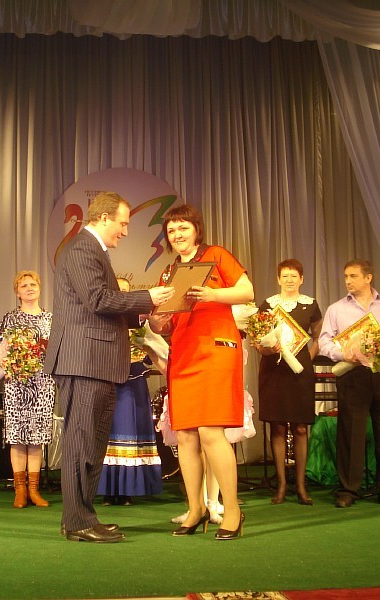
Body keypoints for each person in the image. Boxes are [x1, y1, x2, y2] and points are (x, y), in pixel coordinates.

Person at [44, 191, 174, 543]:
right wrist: (147, 298)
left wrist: (143, 314)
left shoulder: (91, 249)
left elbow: (102, 305)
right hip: (84, 360)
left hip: (95, 361)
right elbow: (98, 299)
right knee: (82, 443)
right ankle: (77, 522)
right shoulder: (83, 248)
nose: (125, 231)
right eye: (123, 223)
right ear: (103, 218)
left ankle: (81, 516)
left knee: (92, 443)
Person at [148, 204, 253, 540]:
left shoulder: (216, 255)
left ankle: (232, 510)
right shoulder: (168, 273)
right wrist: (156, 319)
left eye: (183, 228)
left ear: (196, 229)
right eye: (171, 230)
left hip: (216, 349)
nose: (177, 235)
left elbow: (247, 291)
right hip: (183, 354)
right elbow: (163, 323)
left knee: (210, 430)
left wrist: (211, 294)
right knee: (186, 436)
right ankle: (196, 509)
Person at [318, 259, 380, 508]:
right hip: (353, 374)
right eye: (346, 276)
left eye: (353, 276)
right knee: (351, 432)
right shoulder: (336, 309)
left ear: (368, 278)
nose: (348, 281)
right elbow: (324, 342)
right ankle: (348, 490)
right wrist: (343, 353)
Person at [253, 258, 322, 506]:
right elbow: (258, 341)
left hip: (300, 373)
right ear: (278, 279)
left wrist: (306, 359)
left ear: (301, 279)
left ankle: (301, 485)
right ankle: (281, 484)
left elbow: (319, 337)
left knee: (301, 428)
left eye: (294, 276)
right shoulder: (268, 305)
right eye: (285, 276)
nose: (289, 280)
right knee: (278, 427)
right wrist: (267, 349)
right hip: (273, 371)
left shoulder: (310, 305)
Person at [0, 270, 56, 508]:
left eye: (32, 284)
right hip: (17, 383)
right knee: (17, 437)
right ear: (17, 293)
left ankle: (34, 490)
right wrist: (11, 365)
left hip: (42, 383)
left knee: (36, 438)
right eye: (24, 286)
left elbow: (57, 350)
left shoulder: (50, 319)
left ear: (39, 288)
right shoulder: (10, 318)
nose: (29, 288)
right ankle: (19, 490)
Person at [97, 277, 163, 506]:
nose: (124, 294)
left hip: (133, 381)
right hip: (108, 380)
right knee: (109, 431)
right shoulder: (104, 319)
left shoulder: (140, 322)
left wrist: (147, 349)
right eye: (119, 291)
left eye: (127, 291)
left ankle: (127, 489)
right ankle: (108, 489)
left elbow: (154, 350)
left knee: (131, 429)